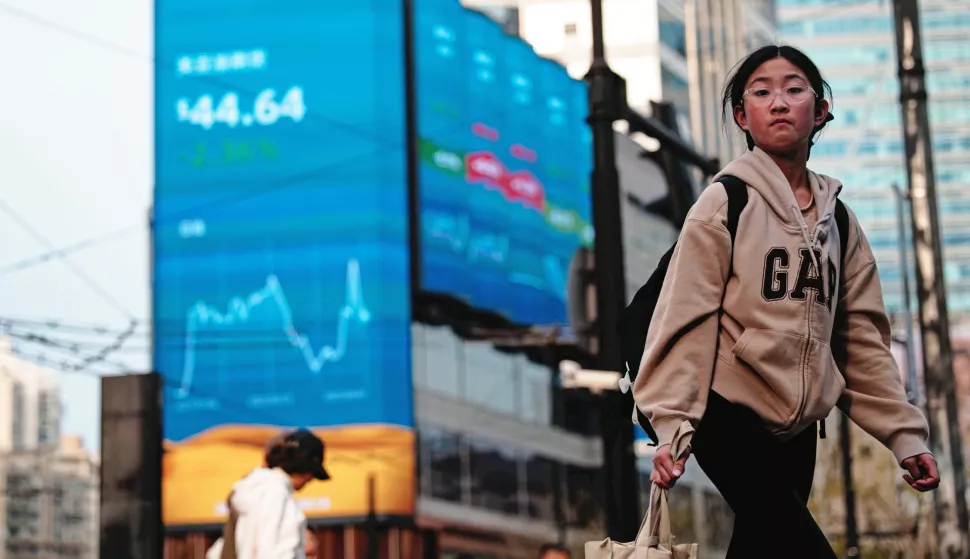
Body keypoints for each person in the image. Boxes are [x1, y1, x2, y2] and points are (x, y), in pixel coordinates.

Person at [632, 44, 940, 558]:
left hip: (798, 427)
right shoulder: (726, 201)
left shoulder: (841, 224)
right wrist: (671, 425)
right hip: (725, 413)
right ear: (741, 115)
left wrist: (907, 438)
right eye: (761, 92)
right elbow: (685, 318)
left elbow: (861, 340)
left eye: (794, 89)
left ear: (820, 111)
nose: (778, 102)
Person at [205, 428, 330, 559]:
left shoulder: (251, 492)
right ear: (306, 468)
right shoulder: (276, 494)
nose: (310, 480)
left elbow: (218, 553)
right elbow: (278, 552)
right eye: (312, 474)